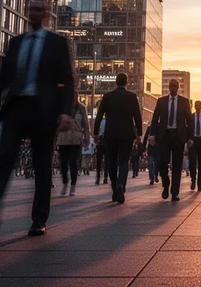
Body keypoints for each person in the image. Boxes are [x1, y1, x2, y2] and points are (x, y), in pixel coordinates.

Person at [0, 0, 74, 239]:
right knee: (3, 160)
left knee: (41, 165)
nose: (34, 13)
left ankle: (39, 219)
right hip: (17, 108)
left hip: (43, 111)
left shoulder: (57, 43)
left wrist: (66, 112)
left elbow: (68, 80)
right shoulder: (16, 43)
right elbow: (2, 77)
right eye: (31, 9)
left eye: (39, 10)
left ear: (47, 13)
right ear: (26, 12)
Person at [95, 73, 143, 204]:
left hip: (111, 133)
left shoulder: (108, 97)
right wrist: (139, 133)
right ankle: (121, 184)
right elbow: (137, 116)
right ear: (126, 82)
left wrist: (95, 133)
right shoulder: (132, 97)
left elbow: (99, 116)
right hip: (127, 134)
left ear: (116, 82)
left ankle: (115, 188)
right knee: (124, 160)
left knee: (111, 161)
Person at [150, 78, 190, 201]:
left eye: (175, 86)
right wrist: (152, 135)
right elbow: (155, 118)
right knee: (162, 161)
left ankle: (175, 192)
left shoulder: (184, 102)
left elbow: (190, 121)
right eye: (171, 86)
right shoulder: (161, 101)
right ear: (168, 87)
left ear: (178, 88)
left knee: (177, 165)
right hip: (164, 135)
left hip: (178, 136)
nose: (172, 88)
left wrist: (190, 137)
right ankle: (166, 185)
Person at [57, 96, 89, 197]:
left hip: (75, 139)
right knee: (63, 163)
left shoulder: (81, 108)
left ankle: (73, 185)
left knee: (73, 161)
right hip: (63, 138)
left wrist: (87, 138)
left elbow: (86, 125)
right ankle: (65, 182)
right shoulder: (62, 107)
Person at [94, 114, 109, 186]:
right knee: (101, 161)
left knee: (105, 161)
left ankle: (103, 177)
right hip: (103, 141)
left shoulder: (102, 122)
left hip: (105, 141)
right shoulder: (103, 122)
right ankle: (100, 177)